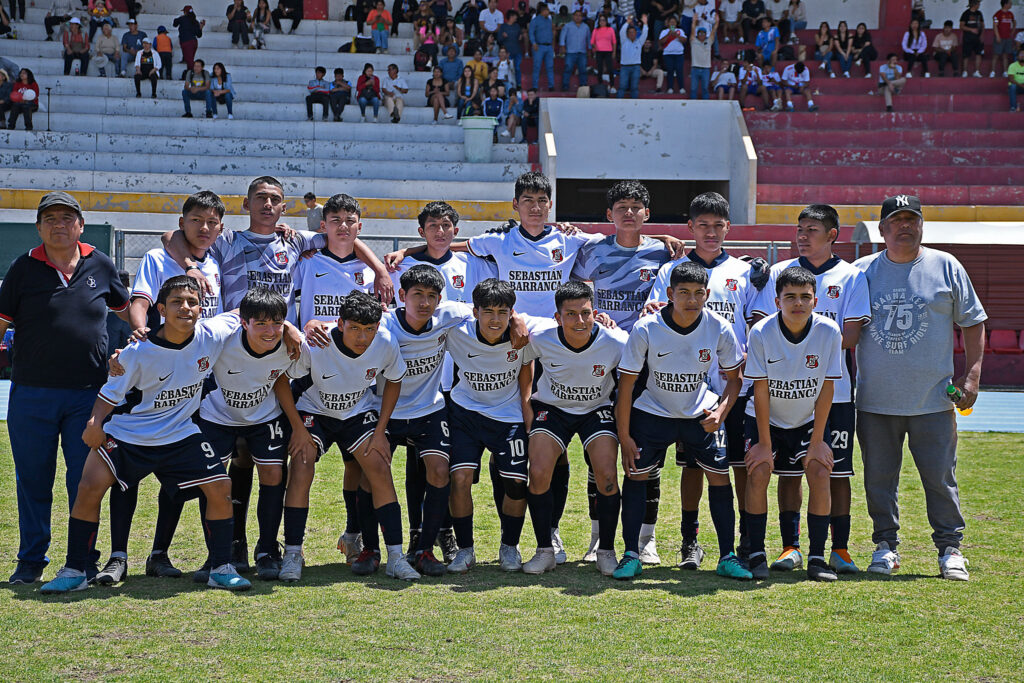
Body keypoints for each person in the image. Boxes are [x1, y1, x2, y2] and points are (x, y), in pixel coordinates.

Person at [37, 277, 250, 594]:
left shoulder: (212, 333)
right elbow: (108, 396)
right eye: (177, 302)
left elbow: (244, 312)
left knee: (220, 486)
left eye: (192, 302)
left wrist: (287, 329)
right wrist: (94, 425)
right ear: (161, 309)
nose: (185, 308)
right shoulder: (137, 352)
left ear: (201, 308)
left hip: (180, 434)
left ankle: (221, 567)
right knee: (88, 486)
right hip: (129, 435)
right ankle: (75, 570)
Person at [95, 192, 226, 585]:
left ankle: (159, 553)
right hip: (154, 373)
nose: (204, 228)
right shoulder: (157, 257)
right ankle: (119, 555)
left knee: (179, 474)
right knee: (128, 469)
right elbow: (140, 300)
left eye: (211, 223)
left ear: (220, 228)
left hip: (198, 376)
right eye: (196, 220)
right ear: (183, 222)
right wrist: (137, 331)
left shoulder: (216, 262)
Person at [853, 194, 986, 581]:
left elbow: (974, 322)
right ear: (882, 229)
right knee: (879, 480)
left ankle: (950, 549)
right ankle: (885, 546)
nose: (905, 226)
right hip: (876, 401)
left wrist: (973, 375)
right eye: (896, 220)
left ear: (922, 225)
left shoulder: (946, 266)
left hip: (933, 400)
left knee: (941, 479)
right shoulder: (862, 271)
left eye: (912, 219)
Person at [0, 191, 130, 585]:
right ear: (39, 227)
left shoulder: (101, 265)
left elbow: (128, 316)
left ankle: (83, 559)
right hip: (32, 393)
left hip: (88, 395)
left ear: (81, 224)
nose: (59, 224)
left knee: (85, 479)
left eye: (67, 218)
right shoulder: (23, 268)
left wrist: (129, 347)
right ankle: (31, 560)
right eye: (50, 218)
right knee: (33, 479)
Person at [644, 192, 764, 570]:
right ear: (690, 228)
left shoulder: (745, 272)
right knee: (693, 467)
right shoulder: (672, 270)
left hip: (734, 385)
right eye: (703, 225)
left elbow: (756, 325)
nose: (711, 233)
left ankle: (745, 541)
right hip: (687, 387)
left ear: (728, 227)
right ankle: (689, 541)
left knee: (739, 465)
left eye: (718, 225)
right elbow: (655, 313)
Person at [749, 205, 869, 575]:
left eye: (812, 229)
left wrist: (812, 345)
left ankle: (840, 548)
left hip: (832, 393)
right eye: (799, 228)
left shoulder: (850, 275)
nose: (802, 235)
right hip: (783, 388)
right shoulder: (779, 273)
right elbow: (760, 320)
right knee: (786, 473)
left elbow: (850, 334)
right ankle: (790, 547)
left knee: (834, 470)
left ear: (833, 234)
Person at [616, 261, 750, 581]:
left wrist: (721, 411)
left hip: (698, 414)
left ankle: (727, 555)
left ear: (706, 295)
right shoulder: (647, 328)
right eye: (684, 293)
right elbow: (625, 387)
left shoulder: (718, 325)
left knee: (719, 478)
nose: (691, 300)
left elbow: (735, 379)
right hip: (653, 413)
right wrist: (624, 437)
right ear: (670, 294)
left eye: (698, 293)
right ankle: (631, 554)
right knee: (637, 475)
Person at [566, 181, 673, 559]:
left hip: (647, 363)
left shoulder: (663, 252)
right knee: (602, 452)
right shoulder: (591, 249)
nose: (628, 212)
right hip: (604, 360)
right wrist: (593, 317)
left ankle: (647, 539)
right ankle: (599, 536)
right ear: (608, 214)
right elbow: (574, 295)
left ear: (647, 213)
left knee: (645, 453)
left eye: (636, 206)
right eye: (621, 207)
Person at [289, 291, 420, 580]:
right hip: (315, 411)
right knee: (301, 463)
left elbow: (394, 381)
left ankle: (396, 558)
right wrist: (298, 429)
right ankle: (292, 553)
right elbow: (286, 382)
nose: (362, 337)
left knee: (379, 466)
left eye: (369, 329)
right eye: (355, 329)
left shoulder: (384, 342)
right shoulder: (317, 342)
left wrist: (381, 430)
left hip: (357, 412)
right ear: (339, 323)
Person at [743, 266, 843, 583]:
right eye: (790, 297)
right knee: (758, 471)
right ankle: (756, 554)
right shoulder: (760, 332)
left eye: (804, 297)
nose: (797, 303)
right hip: (766, 419)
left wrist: (818, 440)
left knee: (819, 470)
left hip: (808, 419)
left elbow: (827, 387)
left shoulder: (829, 332)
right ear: (777, 301)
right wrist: (763, 443)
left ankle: (816, 558)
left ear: (815, 300)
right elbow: (759, 390)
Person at [521, 282, 627, 576]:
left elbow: (632, 376)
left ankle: (606, 550)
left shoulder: (615, 341)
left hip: (597, 410)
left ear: (595, 312)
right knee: (539, 471)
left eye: (585, 313)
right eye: (571, 314)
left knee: (606, 474)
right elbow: (524, 364)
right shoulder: (540, 338)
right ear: (557, 317)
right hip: (553, 410)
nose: (579, 321)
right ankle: (545, 550)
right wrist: (527, 403)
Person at [444, 279, 532, 573]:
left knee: (517, 484)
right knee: (459, 480)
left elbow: (565, 320)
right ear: (475, 311)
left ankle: (509, 546)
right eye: (488, 312)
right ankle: (465, 549)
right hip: (465, 413)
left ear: (512, 313)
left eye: (503, 312)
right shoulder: (456, 331)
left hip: (508, 417)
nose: (495, 320)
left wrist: (518, 320)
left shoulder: (526, 330)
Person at [618, 15, 649, 99]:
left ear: (636, 33)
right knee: (622, 87)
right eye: (630, 32)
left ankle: (634, 104)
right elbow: (622, 31)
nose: (632, 34)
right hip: (625, 66)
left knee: (634, 87)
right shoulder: (624, 41)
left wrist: (645, 24)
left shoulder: (639, 42)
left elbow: (645, 34)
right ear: (627, 34)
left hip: (636, 67)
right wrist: (627, 22)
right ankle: (617, 104)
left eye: (633, 32)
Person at [559, 10, 590, 90]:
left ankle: (583, 86)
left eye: (580, 15)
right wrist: (562, 46)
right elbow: (562, 37)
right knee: (568, 69)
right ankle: (565, 86)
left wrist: (590, 49)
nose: (578, 17)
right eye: (576, 15)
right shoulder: (567, 26)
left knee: (583, 69)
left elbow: (588, 39)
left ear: (582, 17)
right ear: (573, 16)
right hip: (570, 52)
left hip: (582, 52)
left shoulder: (586, 27)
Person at [529, 2, 555, 90]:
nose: (548, 11)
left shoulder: (549, 20)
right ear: (543, 11)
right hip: (539, 46)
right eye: (547, 9)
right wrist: (533, 43)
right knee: (537, 67)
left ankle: (551, 86)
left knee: (550, 67)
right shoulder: (535, 20)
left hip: (548, 46)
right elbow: (531, 33)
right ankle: (535, 86)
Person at [660, 14, 687, 95]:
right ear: (668, 23)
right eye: (671, 22)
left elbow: (684, 40)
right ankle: (670, 88)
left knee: (679, 70)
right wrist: (669, 34)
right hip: (668, 54)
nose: (672, 24)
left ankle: (681, 88)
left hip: (679, 54)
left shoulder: (680, 31)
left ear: (676, 23)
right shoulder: (664, 31)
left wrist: (676, 35)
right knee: (670, 70)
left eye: (674, 22)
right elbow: (661, 42)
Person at [173, 5, 205, 72]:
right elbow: (199, 35)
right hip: (194, 42)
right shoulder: (195, 21)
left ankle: (196, 74)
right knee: (189, 60)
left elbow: (174, 24)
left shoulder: (183, 19)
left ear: (185, 12)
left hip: (186, 42)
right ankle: (188, 75)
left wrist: (179, 18)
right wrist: (201, 27)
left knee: (190, 62)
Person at [497, 9, 524, 86]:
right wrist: (503, 37)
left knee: (518, 68)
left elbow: (520, 35)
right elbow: (499, 39)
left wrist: (520, 37)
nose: (516, 18)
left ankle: (518, 84)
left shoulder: (517, 26)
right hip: (507, 52)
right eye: (515, 16)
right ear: (511, 17)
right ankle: (510, 84)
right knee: (508, 69)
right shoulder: (503, 27)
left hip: (517, 51)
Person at [590, 14, 616, 88]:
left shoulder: (610, 29)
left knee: (610, 69)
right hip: (599, 52)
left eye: (603, 20)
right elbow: (592, 42)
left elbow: (614, 42)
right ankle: (600, 85)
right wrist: (596, 47)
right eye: (600, 20)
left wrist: (614, 52)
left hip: (608, 51)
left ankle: (612, 85)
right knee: (600, 69)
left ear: (606, 21)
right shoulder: (596, 30)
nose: (602, 22)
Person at [959, 0, 984, 78]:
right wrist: (971, 29)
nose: (979, 5)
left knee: (978, 54)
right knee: (966, 55)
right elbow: (961, 26)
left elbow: (983, 25)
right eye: (978, 3)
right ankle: (965, 72)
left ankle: (977, 71)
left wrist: (982, 35)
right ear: (974, 4)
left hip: (978, 38)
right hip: (968, 38)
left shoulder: (979, 13)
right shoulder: (966, 13)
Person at [992, 0, 1016, 78]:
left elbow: (1014, 22)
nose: (1011, 5)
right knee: (996, 55)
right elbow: (995, 25)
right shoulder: (997, 14)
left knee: (1005, 55)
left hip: (1007, 38)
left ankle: (1005, 71)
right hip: (1000, 37)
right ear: (1005, 4)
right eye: (1009, 3)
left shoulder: (1010, 14)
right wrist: (997, 36)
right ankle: (993, 71)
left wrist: (1013, 31)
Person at [690, 25, 712, 99]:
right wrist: (694, 22)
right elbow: (692, 32)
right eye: (700, 33)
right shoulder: (693, 41)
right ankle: (693, 104)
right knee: (693, 89)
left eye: (703, 33)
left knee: (705, 88)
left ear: (706, 35)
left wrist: (716, 23)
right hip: (695, 68)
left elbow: (714, 31)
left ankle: (706, 105)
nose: (701, 35)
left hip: (706, 68)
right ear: (697, 34)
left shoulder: (709, 42)